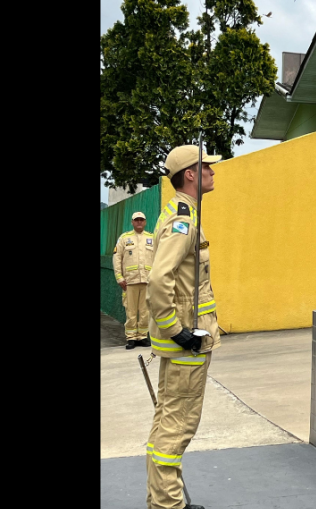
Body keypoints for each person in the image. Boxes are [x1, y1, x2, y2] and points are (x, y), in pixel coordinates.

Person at [145, 144, 222, 509]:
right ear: (189, 174)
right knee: (177, 427)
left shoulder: (182, 212)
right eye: (206, 167)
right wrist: (178, 331)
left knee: (167, 422)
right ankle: (168, 506)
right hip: (186, 342)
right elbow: (159, 279)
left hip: (185, 339)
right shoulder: (183, 219)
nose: (212, 172)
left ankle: (163, 500)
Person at [112, 212, 154, 349]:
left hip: (147, 281)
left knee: (144, 311)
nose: (139, 222)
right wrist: (119, 277)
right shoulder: (124, 238)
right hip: (129, 281)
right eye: (136, 220)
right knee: (130, 311)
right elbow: (117, 258)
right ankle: (131, 338)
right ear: (132, 222)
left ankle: (142, 336)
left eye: (141, 220)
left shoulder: (151, 238)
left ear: (145, 222)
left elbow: (158, 258)